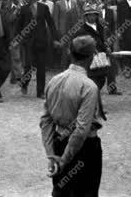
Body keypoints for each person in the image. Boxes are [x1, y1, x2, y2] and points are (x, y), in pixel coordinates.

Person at [40, 35, 104, 197]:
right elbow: (82, 129)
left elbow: (45, 121)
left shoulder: (54, 80)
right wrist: (65, 159)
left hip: (59, 142)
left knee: (61, 192)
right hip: (85, 148)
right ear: (91, 57)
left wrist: (52, 155)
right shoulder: (89, 87)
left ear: (70, 53)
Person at [17, 0, 59, 98]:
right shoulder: (23, 9)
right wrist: (18, 39)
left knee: (41, 67)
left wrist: (55, 38)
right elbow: (19, 26)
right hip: (28, 43)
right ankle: (24, 83)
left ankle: (40, 92)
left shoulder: (43, 7)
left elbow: (51, 23)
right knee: (28, 66)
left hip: (41, 42)